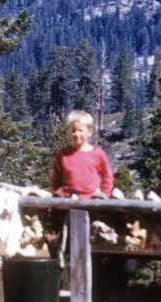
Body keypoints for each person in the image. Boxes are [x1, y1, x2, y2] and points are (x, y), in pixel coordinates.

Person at [45, 110, 113, 259]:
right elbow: (55, 178)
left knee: (90, 241)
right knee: (66, 241)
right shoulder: (63, 154)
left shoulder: (97, 153)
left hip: (91, 204)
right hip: (68, 203)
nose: (77, 134)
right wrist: (57, 195)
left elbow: (107, 176)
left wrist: (104, 195)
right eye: (73, 130)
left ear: (89, 131)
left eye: (80, 131)